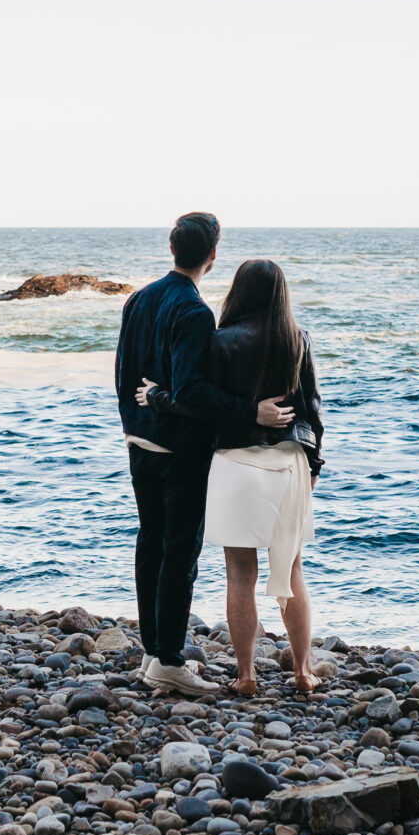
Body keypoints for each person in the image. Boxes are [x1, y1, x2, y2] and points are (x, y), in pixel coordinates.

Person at [114, 213, 292, 698]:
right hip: (178, 449)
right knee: (179, 553)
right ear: (212, 255)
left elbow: (123, 374)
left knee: (150, 544)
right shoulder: (193, 312)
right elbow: (192, 392)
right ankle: (169, 659)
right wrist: (251, 411)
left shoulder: (138, 299)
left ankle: (153, 652)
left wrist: (133, 424)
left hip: (139, 441)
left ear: (174, 250)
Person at [156, 259, 325, 695]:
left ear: (239, 292)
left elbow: (200, 402)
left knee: (239, 574)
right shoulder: (299, 340)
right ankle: (304, 672)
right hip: (289, 463)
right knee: (291, 569)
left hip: (235, 463)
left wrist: (158, 397)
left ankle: (246, 675)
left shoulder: (219, 341)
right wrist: (315, 467)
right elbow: (312, 412)